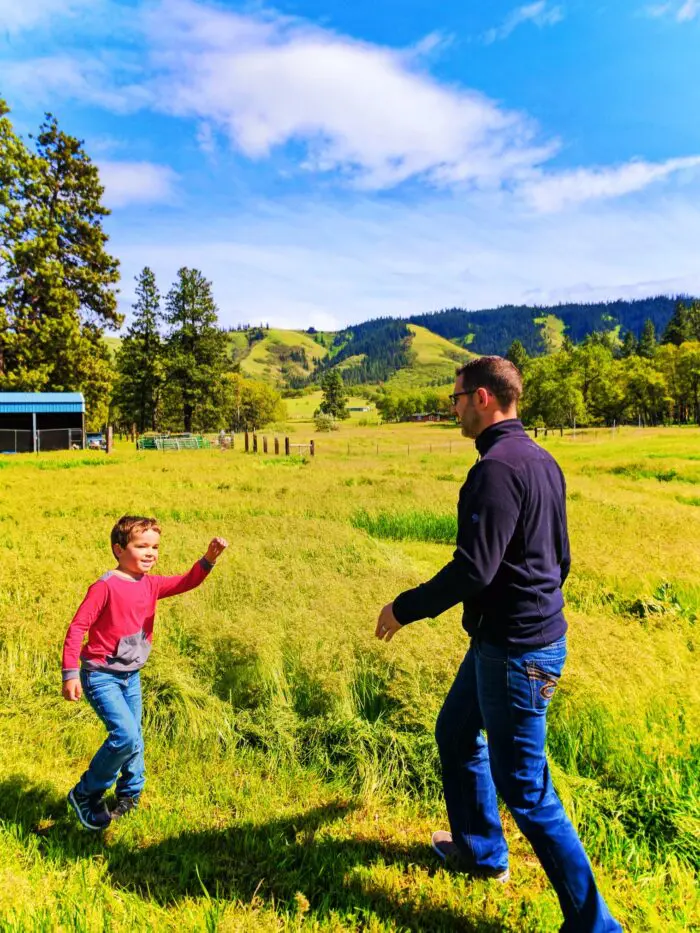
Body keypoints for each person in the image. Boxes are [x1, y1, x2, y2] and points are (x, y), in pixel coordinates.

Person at [375, 357, 621, 933]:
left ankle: (597, 926)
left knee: (527, 791)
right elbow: (561, 556)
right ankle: (482, 854)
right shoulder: (540, 459)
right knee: (456, 732)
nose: (452, 407)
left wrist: (404, 608)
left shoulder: (494, 470)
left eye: (457, 397)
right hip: (506, 641)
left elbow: (473, 570)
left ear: (483, 398)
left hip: (515, 651)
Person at [62, 515, 228, 831]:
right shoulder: (105, 586)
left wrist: (208, 559)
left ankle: (130, 795)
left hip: (130, 675)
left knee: (134, 737)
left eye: (155, 547)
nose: (150, 553)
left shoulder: (150, 584)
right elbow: (77, 627)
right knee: (124, 735)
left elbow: (186, 581)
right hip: (101, 674)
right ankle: (86, 793)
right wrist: (70, 673)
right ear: (118, 549)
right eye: (142, 546)